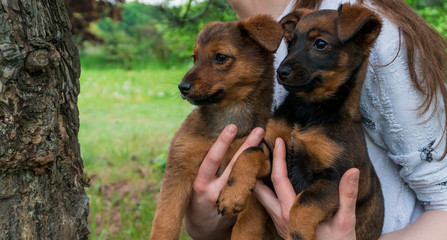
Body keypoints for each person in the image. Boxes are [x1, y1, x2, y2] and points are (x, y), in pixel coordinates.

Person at [183, 0, 447, 239]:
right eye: (290, 42)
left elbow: (443, 204)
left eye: (319, 45)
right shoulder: (230, 40)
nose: (286, 64)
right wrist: (201, 223)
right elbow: (223, 212)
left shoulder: (379, 36)